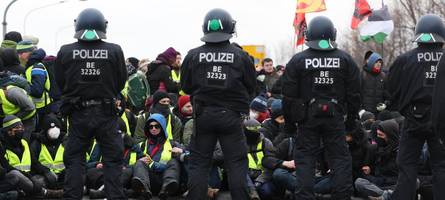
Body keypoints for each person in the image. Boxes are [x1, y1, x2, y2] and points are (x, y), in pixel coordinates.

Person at [180, 8, 256, 200]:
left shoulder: (193, 55)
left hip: (203, 116)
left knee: (199, 164)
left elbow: (186, 86)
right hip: (231, 117)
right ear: (230, 27)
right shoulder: (241, 56)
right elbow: (251, 86)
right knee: (236, 164)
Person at [281, 16, 360, 199]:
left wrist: (290, 124)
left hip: (307, 118)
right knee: (340, 159)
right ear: (333, 34)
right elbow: (355, 94)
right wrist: (351, 119)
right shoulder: (345, 59)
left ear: (309, 34)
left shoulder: (298, 60)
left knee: (306, 160)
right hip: (335, 117)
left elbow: (288, 96)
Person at [54, 8, 127, 200]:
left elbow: (61, 82)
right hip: (106, 113)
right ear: (103, 26)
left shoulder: (66, 51)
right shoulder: (114, 50)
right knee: (112, 160)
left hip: (78, 114)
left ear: (77, 25)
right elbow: (120, 81)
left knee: (75, 159)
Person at [387, 14, 445, 200]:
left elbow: (391, 89)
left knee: (407, 165)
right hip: (442, 120)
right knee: (441, 166)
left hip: (413, 119)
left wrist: (403, 109)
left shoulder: (405, 60)